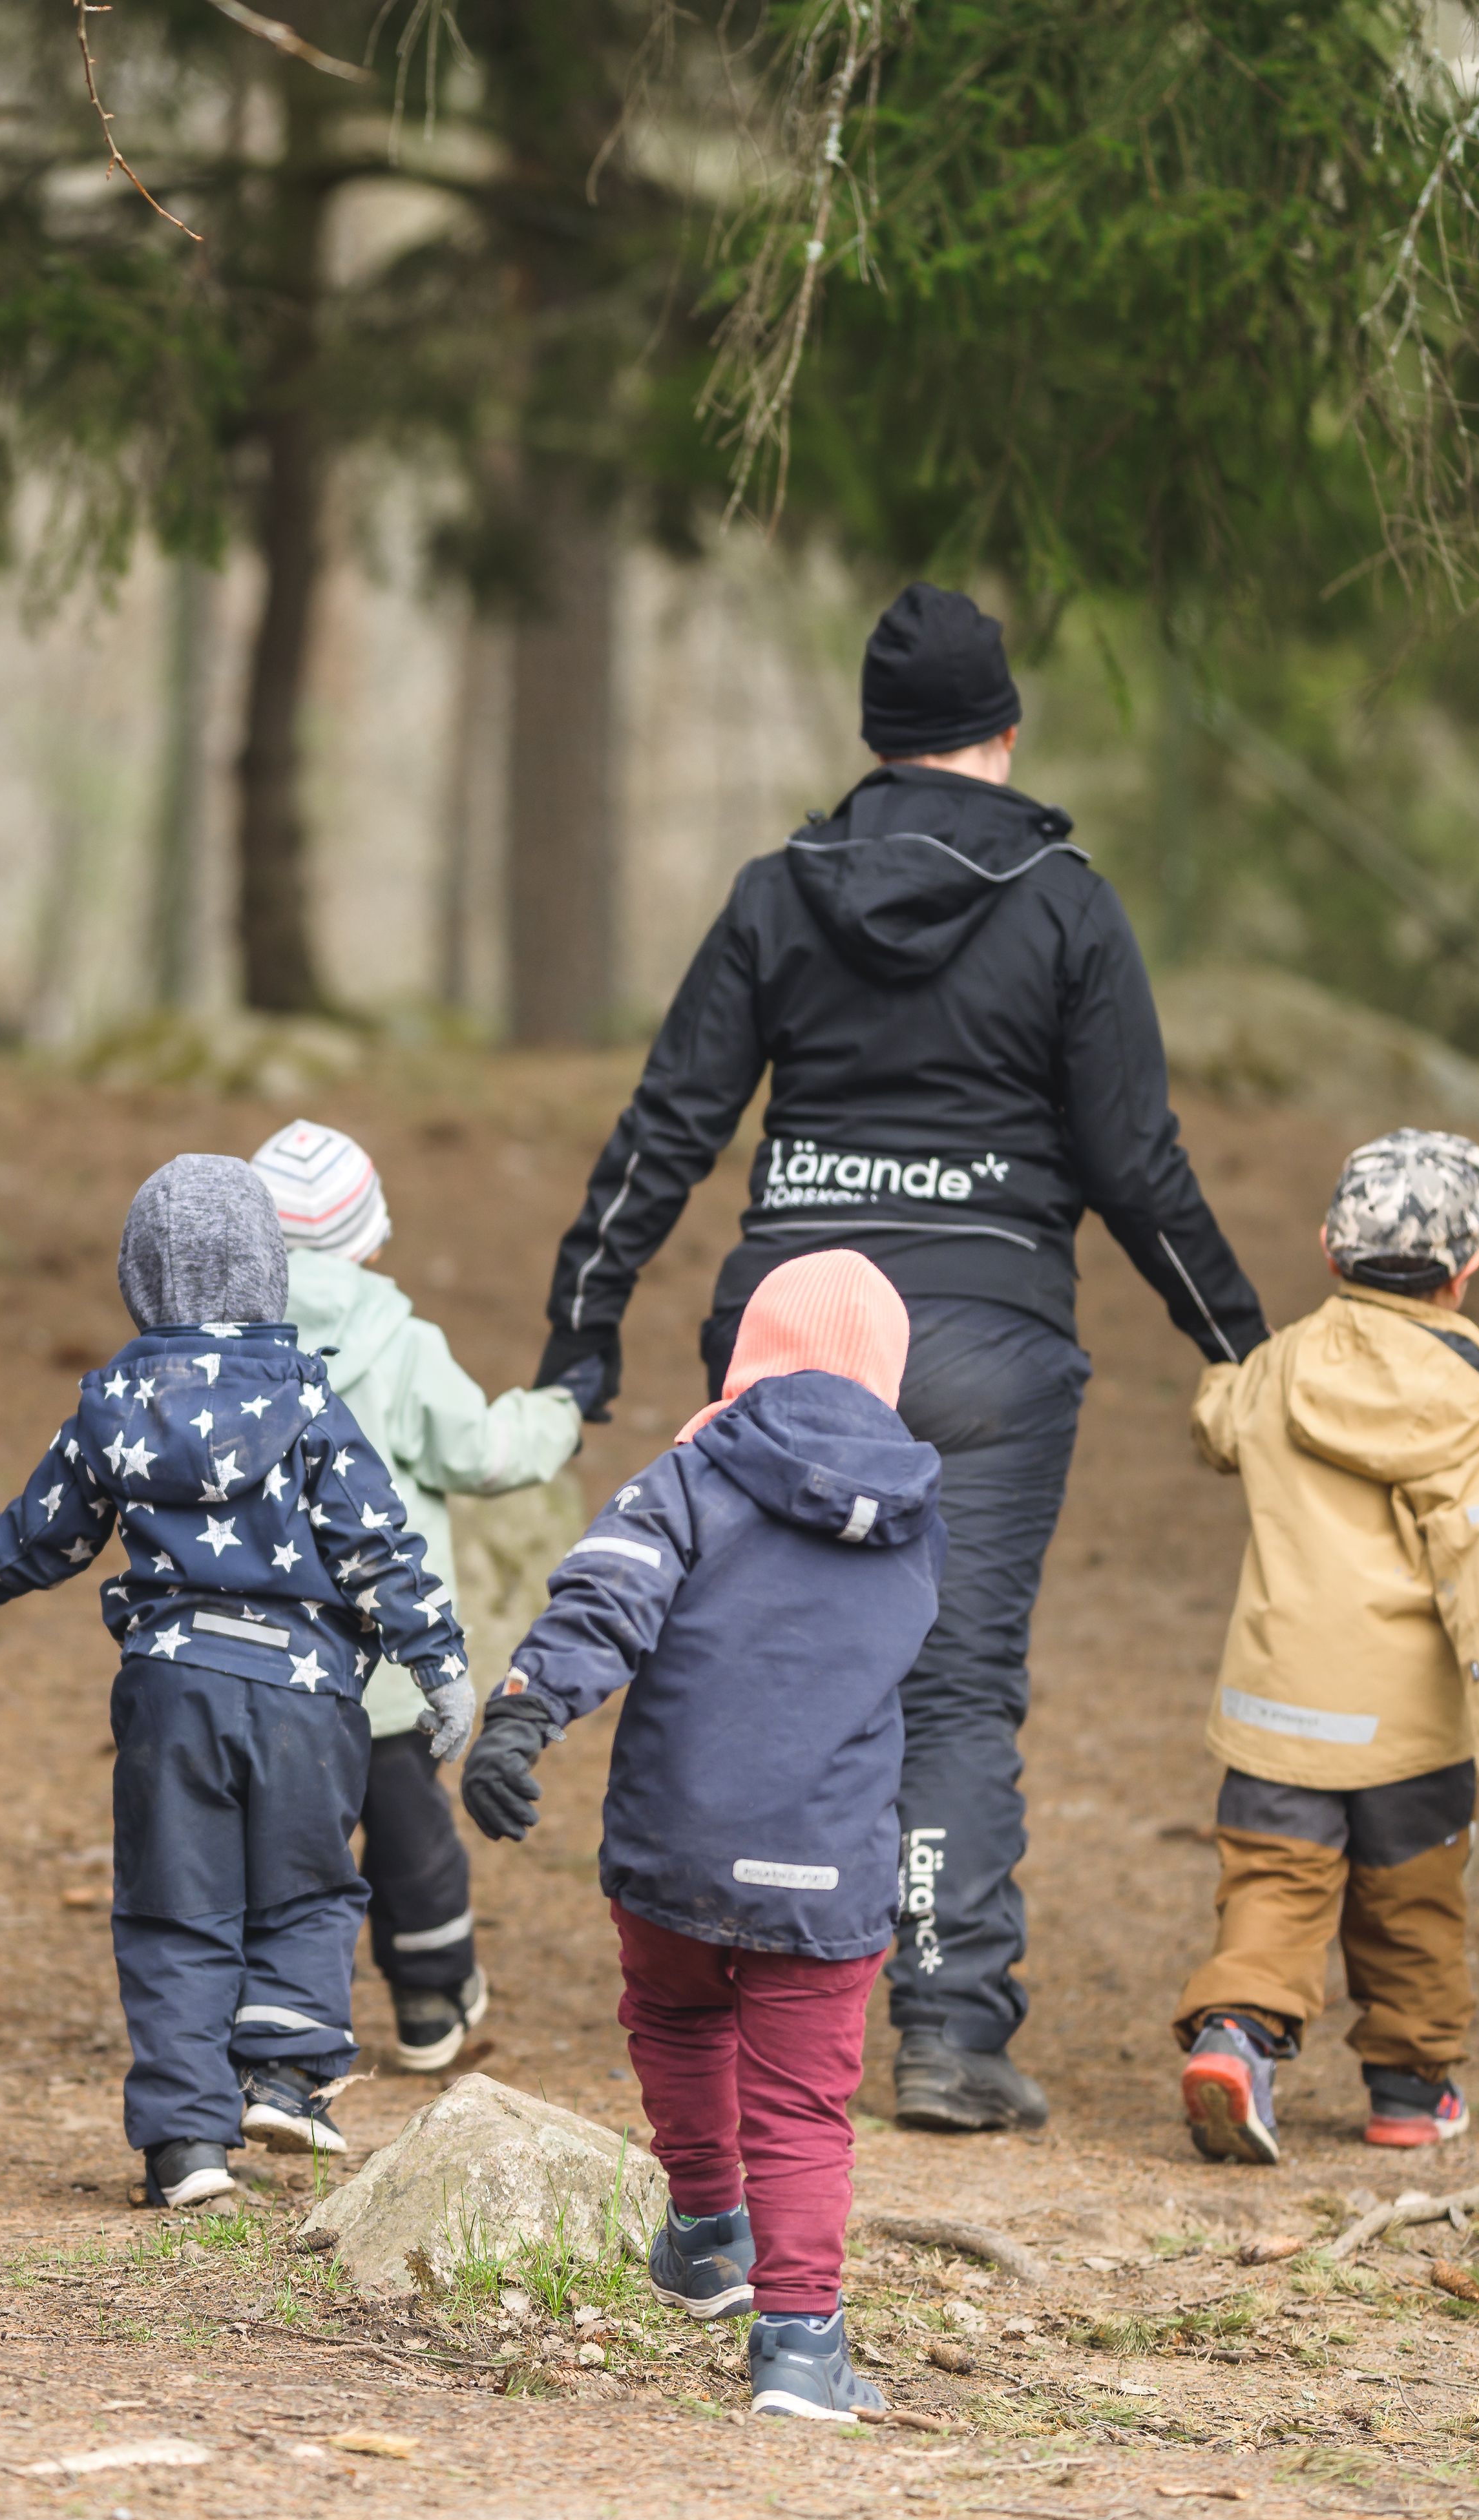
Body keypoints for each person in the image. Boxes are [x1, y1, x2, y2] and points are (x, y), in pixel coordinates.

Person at [530, 579, 1268, 2135]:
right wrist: (1244, 1350)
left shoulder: (777, 891)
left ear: (878, 739)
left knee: (756, 1657)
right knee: (953, 1692)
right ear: (1004, 730)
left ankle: (739, 1996)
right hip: (990, 1349)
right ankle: (945, 2028)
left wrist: (578, 1335)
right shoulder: (1066, 901)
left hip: (787, 1341)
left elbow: (670, 1125)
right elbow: (1134, 1158)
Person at [0, 1156, 474, 2206]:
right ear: (271, 1272)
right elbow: (376, 1542)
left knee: (177, 1910)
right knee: (307, 1888)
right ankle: (288, 2080)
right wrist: (439, 1662)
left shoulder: (114, 1401)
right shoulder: (307, 1396)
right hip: (311, 1699)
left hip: (173, 1689)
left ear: (139, 1277)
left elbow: (45, 1533)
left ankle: (185, 2148)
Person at [459, 1252, 946, 2424]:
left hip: (678, 1851)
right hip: (829, 1874)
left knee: (678, 2015)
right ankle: (800, 2344)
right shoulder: (918, 1527)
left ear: (751, 1362)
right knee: (803, 2108)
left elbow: (605, 1597)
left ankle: (706, 2231)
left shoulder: (690, 1479)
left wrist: (524, 1714)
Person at [1172, 1130, 1479, 2161]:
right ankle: (1408, 2089)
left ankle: (1234, 2039)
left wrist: (1223, 1393)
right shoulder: (1467, 1410)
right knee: (1413, 1908)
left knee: (1271, 1889)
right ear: (1466, 1272)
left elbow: (1220, 1422)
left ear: (1328, 1250)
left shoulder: (1279, 1367)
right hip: (1410, 1732)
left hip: (1276, 1708)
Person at [247, 1118, 587, 2072]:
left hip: (269, 1664)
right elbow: (481, 1452)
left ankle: (280, 2030)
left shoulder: (229, 1355)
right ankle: (432, 2001)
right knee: (409, 1831)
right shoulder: (403, 1345)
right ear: (373, 1239)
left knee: (287, 1847)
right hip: (393, 1664)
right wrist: (559, 1416)